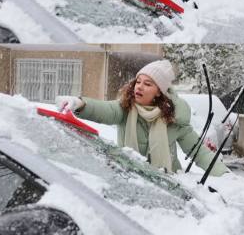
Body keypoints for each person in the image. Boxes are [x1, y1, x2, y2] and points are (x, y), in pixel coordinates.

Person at [55, 59, 228, 176]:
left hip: (170, 184)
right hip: (131, 178)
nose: (139, 87)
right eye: (138, 82)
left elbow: (200, 153)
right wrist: (80, 103)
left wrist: (225, 176)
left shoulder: (174, 119)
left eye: (148, 84)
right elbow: (105, 110)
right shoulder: (125, 109)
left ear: (159, 91)